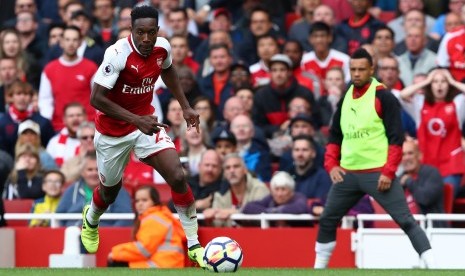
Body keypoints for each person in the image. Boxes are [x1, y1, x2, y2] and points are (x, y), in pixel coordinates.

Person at [80, 5, 205, 268]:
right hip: (113, 133)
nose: (146, 39)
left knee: (178, 175)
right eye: (140, 33)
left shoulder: (163, 48)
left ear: (158, 31)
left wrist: (185, 105)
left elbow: (168, 70)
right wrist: (136, 120)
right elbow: (96, 98)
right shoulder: (116, 54)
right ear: (131, 31)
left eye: (151, 32)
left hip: (145, 123)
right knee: (110, 192)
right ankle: (91, 219)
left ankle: (194, 244)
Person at [313, 48, 434, 269]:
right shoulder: (345, 97)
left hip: (378, 174)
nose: (357, 74)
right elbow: (334, 134)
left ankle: (434, 266)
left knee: (406, 220)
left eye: (361, 69)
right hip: (348, 174)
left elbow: (396, 138)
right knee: (327, 219)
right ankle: (318, 270)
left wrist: (389, 172)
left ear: (371, 70)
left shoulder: (384, 97)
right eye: (353, 69)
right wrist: (331, 164)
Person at [398, 69, 465, 195]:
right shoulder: (420, 103)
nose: (439, 84)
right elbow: (402, 95)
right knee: (426, 200)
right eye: (435, 82)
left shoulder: (458, 104)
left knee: (444, 199)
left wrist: (452, 81)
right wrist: (426, 81)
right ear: (430, 85)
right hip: (426, 165)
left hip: (451, 165)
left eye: (443, 81)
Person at [108, 185, 185, 268]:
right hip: (163, 263)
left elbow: (143, 250)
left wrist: (115, 253)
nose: (140, 204)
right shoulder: (155, 217)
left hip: (163, 266)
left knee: (116, 261)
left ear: (154, 201)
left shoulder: (154, 220)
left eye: (144, 200)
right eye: (137, 201)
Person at [56, 152, 132, 227]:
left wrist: (110, 234)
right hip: (73, 232)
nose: (94, 173)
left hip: (105, 234)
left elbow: (125, 219)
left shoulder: (117, 190)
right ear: (82, 172)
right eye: (90, 170)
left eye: (97, 169)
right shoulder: (71, 190)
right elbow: (59, 216)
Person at [202, 153, 270, 227]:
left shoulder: (259, 188)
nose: (232, 171)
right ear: (224, 173)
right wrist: (209, 219)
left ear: (245, 170)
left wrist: (234, 212)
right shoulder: (220, 193)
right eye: (228, 168)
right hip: (229, 237)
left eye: (236, 166)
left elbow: (263, 216)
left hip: (257, 236)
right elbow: (218, 225)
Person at [398, 140, 447, 227]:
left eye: (410, 153)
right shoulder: (398, 180)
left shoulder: (432, 173)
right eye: (403, 154)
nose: (406, 158)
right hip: (402, 232)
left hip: (431, 231)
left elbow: (425, 199)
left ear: (419, 155)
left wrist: (409, 181)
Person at [242, 171, 308, 227]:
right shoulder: (270, 198)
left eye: (283, 189)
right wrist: (270, 211)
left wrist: (276, 211)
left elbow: (301, 207)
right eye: (276, 189)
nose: (279, 194)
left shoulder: (298, 197)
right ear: (272, 191)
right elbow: (248, 207)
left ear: (291, 191)